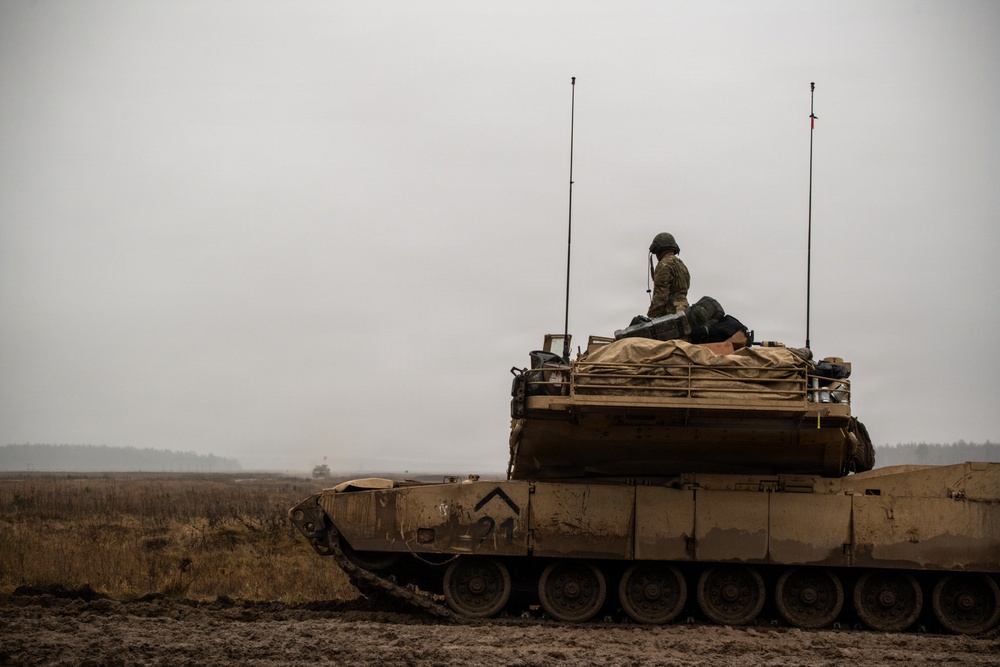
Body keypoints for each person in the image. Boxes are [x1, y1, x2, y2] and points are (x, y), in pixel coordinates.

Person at [646, 232, 690, 318]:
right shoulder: (681, 265)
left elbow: (660, 296)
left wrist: (651, 317)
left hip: (669, 315)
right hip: (684, 311)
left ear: (657, 249)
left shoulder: (664, 265)